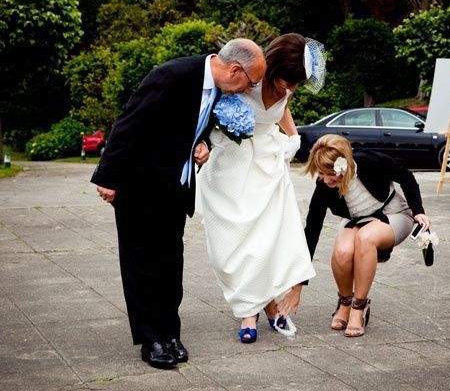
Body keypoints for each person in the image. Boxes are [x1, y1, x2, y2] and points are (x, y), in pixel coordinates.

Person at [92, 39, 267, 368]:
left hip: (175, 188)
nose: (248, 90)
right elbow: (130, 122)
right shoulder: (172, 75)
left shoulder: (219, 88)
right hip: (140, 185)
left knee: (170, 264)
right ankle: (151, 340)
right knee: (142, 265)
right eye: (251, 82)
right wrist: (108, 177)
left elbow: (185, 125)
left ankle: (170, 333)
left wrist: (202, 143)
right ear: (234, 69)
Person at [197, 33, 326, 343]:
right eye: (287, 82)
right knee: (235, 243)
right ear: (273, 67)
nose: (290, 89)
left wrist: (293, 137)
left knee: (268, 237)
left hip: (268, 163)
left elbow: (281, 110)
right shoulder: (248, 79)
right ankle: (262, 305)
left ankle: (248, 312)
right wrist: (203, 144)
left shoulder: (287, 87)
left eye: (296, 84)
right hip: (231, 163)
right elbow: (210, 112)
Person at [303, 134, 432, 337]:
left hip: (393, 213)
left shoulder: (370, 161)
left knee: (365, 238)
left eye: (330, 173)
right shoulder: (324, 187)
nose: (326, 179)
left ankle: (359, 307)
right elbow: (312, 229)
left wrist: (418, 210)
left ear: (344, 164)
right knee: (343, 251)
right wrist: (299, 282)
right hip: (357, 220)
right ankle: (345, 302)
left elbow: (405, 175)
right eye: (321, 173)